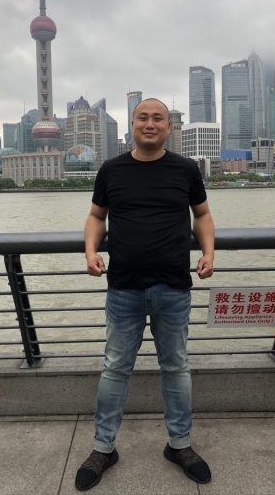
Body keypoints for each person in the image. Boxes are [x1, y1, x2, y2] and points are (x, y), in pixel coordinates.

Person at [75, 98, 215, 491]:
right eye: (143, 118)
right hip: (123, 287)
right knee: (115, 368)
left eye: (158, 118)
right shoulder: (112, 169)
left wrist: (208, 253)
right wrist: (90, 251)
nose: (150, 124)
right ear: (132, 125)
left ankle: (179, 444)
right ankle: (103, 448)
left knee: (176, 367)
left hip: (174, 286)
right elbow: (96, 216)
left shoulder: (185, 169)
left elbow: (202, 214)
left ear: (169, 127)